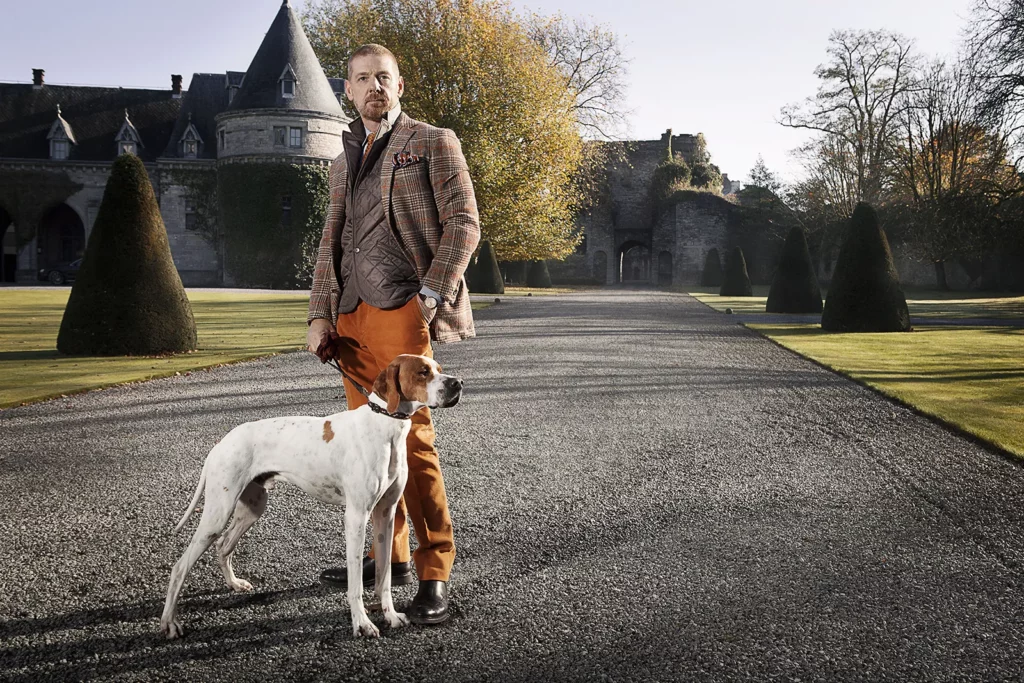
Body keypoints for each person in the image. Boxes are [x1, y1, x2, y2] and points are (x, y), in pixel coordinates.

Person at [306, 43, 480, 625]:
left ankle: (435, 574)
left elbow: (464, 223)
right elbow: (331, 242)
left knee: (416, 446)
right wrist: (319, 315)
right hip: (350, 321)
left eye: (384, 77)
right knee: (368, 447)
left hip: (405, 310)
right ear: (348, 91)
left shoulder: (432, 141)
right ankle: (393, 556)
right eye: (362, 79)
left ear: (399, 85)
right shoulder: (340, 161)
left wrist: (430, 296)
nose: (374, 86)